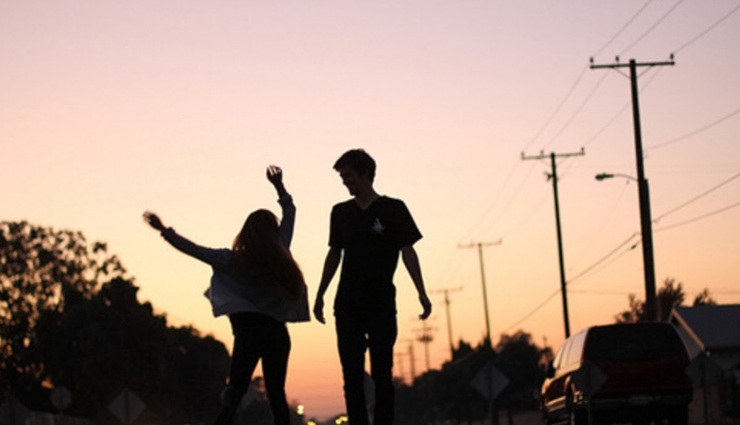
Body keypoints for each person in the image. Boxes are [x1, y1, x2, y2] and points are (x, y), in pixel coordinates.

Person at [143, 165, 309, 425]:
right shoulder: (280, 250)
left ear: (247, 232)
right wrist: (279, 187)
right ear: (272, 231)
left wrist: (165, 230)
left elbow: (194, 250)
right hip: (277, 333)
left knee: (235, 393)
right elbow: (290, 212)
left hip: (248, 334)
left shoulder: (231, 260)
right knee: (276, 393)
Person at [313, 149, 432, 425]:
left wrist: (421, 292)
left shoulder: (393, 209)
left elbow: (408, 251)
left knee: (382, 374)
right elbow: (334, 253)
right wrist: (320, 294)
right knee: (352, 375)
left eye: (349, 176)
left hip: (381, 303)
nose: (345, 182)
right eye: (342, 177)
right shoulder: (341, 212)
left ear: (366, 173)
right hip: (347, 304)